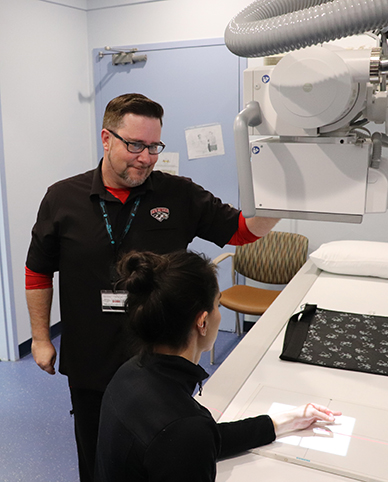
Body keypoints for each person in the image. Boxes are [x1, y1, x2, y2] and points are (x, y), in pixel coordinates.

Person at [25, 93, 279, 482]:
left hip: (161, 363)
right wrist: (41, 338)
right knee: (97, 460)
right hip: (91, 361)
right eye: (135, 145)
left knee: (164, 452)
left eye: (154, 146)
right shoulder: (62, 198)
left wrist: (289, 196)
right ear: (106, 139)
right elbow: (38, 271)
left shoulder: (179, 195)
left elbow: (243, 231)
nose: (145, 157)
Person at [94, 250, 341, 482]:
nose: (219, 313)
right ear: (202, 322)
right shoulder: (183, 427)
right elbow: (188, 437)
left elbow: (202, 438)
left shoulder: (129, 373)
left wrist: (281, 422)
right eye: (218, 305)